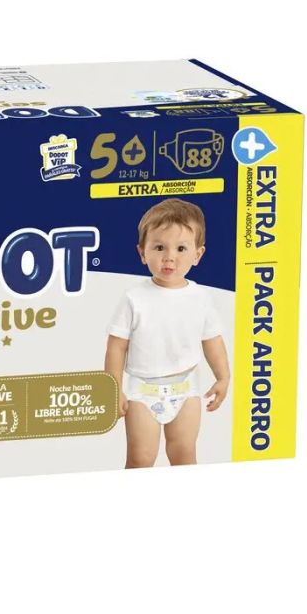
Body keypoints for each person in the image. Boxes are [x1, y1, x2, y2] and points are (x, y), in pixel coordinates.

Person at [104, 198, 229, 467]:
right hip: (142, 392)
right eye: (159, 247)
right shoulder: (134, 298)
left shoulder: (201, 298)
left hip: (186, 389)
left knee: (184, 455)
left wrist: (223, 377)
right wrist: (113, 389)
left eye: (181, 248)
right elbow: (116, 346)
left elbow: (212, 340)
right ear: (142, 252)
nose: (169, 257)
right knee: (140, 458)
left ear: (197, 255)